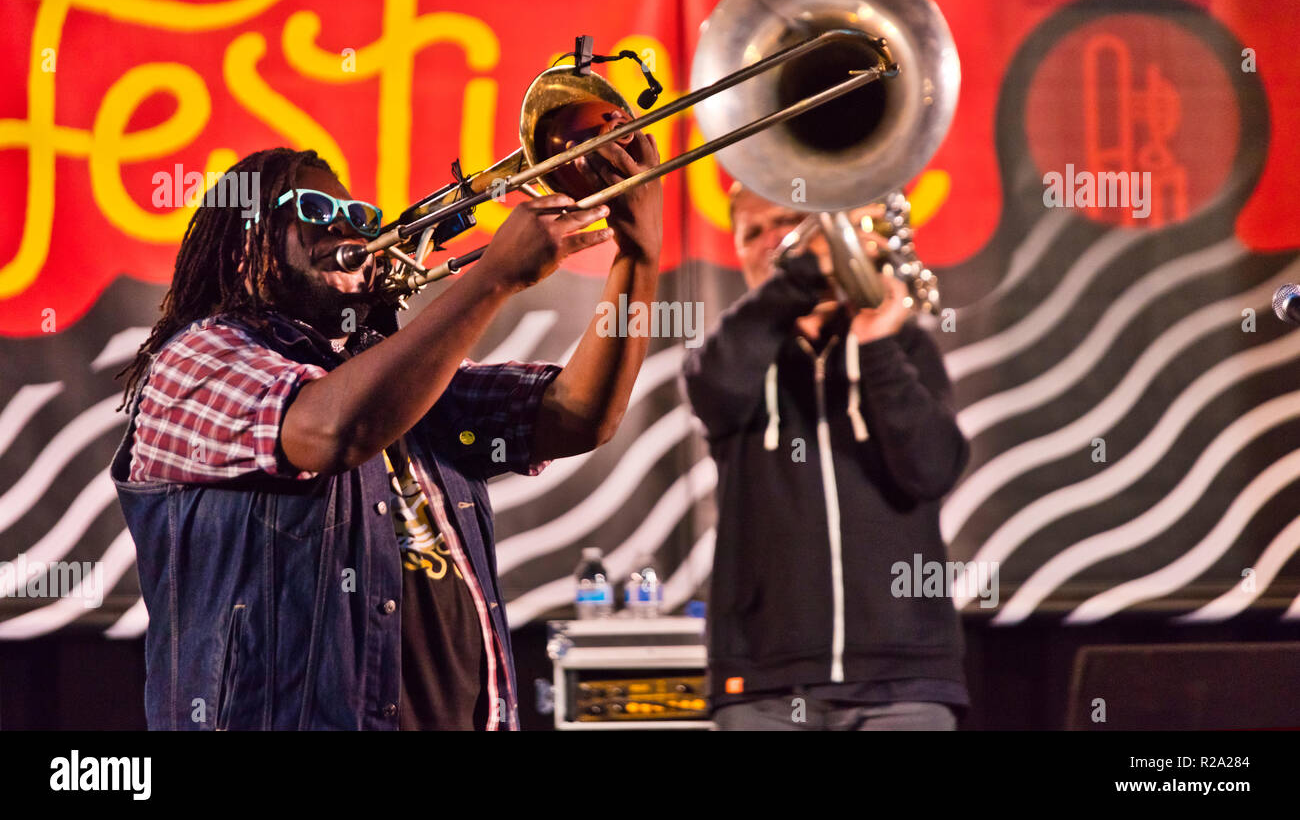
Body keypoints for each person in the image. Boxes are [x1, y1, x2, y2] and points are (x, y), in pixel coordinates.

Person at [111, 137, 661, 731]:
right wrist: (493, 280)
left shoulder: (405, 378)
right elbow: (330, 434)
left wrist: (639, 254)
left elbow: (578, 414)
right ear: (247, 245)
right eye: (316, 212)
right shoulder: (195, 359)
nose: (347, 230)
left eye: (358, 217)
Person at [681, 183, 970, 731]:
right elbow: (713, 390)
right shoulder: (732, 351)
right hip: (763, 679)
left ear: (823, 228)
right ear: (738, 251)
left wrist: (877, 346)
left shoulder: (904, 343)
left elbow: (933, 468)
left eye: (790, 220)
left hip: (903, 678)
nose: (775, 240)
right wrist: (800, 278)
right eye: (753, 232)